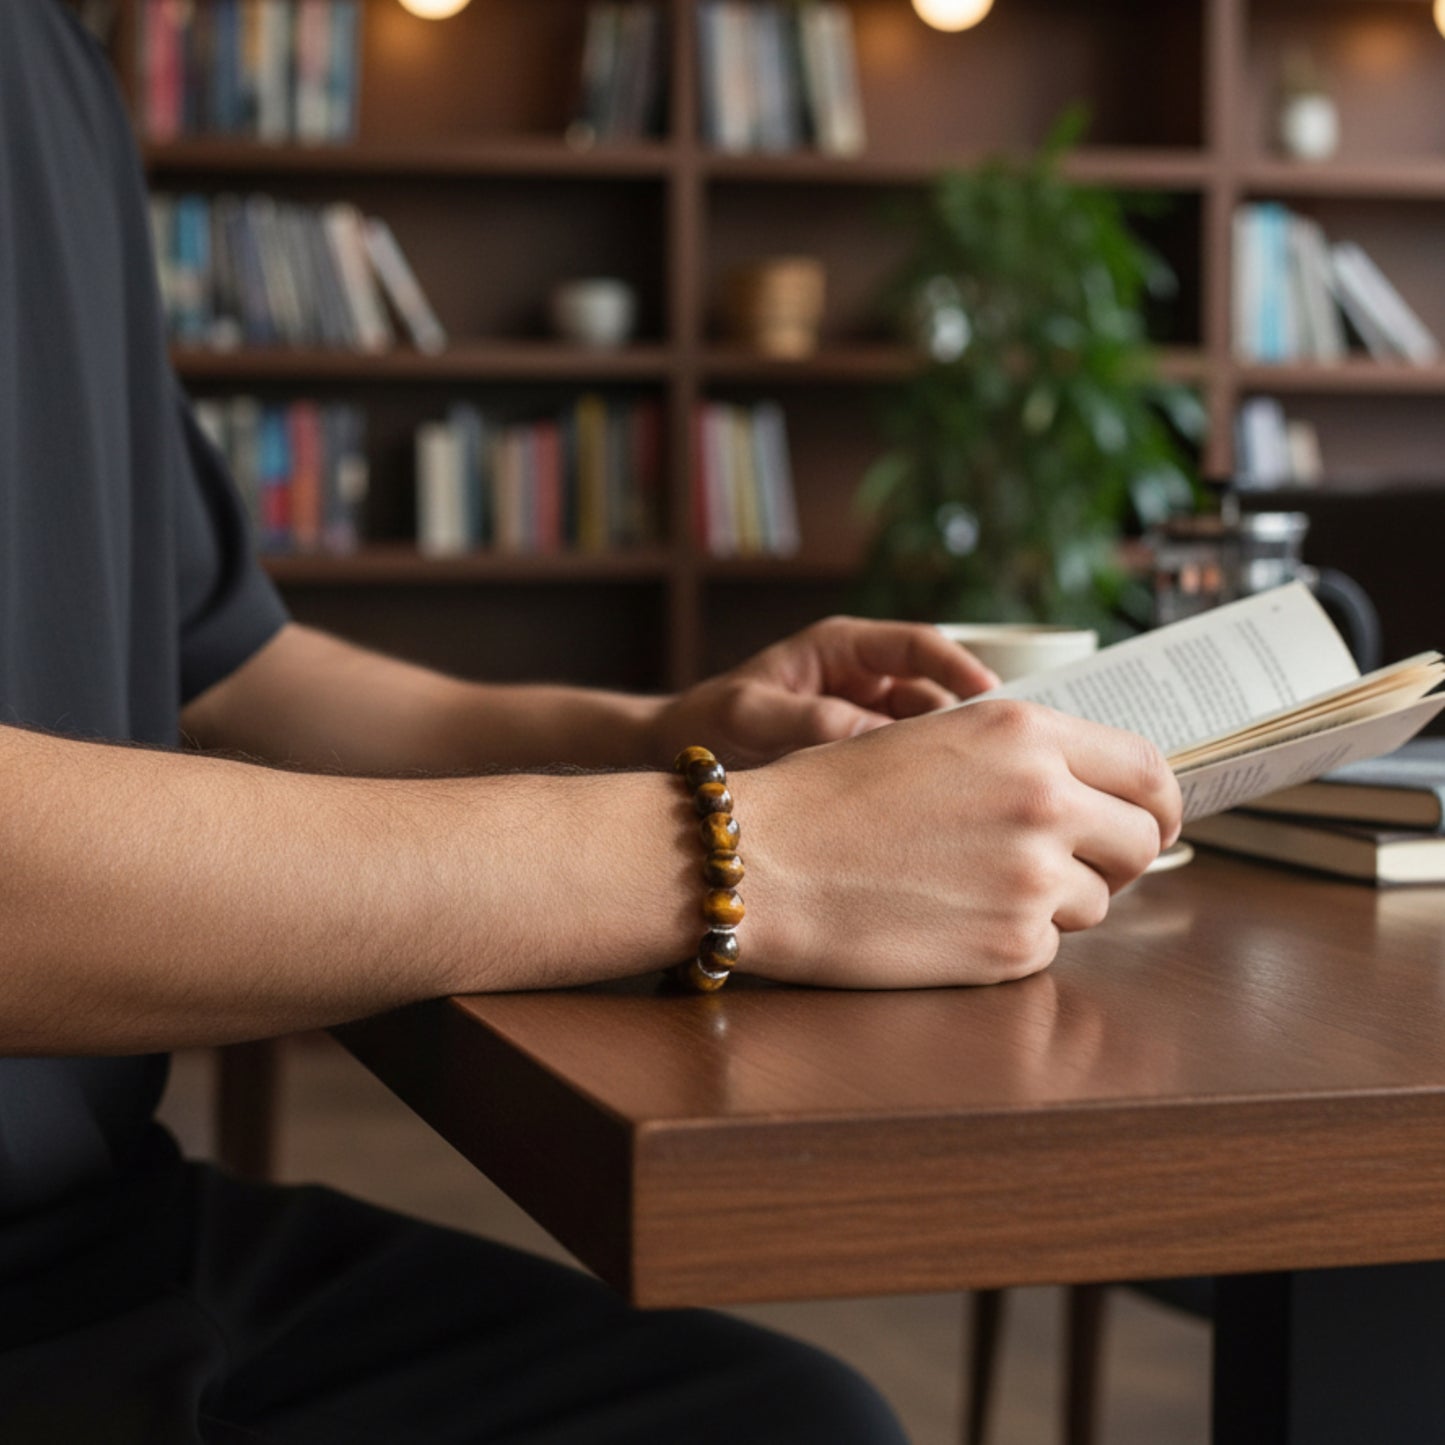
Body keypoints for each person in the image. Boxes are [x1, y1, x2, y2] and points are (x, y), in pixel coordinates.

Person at [0, 3, 1181, 1440]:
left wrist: (662, 735)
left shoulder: (54, 60)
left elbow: (230, 664)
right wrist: (751, 852)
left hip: (94, 1243)